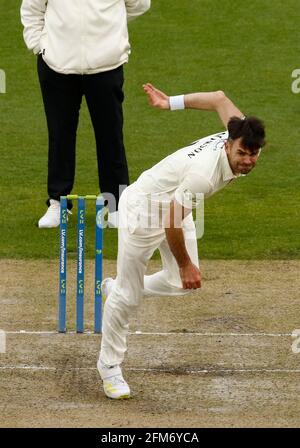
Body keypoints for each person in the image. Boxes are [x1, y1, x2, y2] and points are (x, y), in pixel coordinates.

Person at [96, 82, 265, 399]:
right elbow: (171, 220)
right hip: (144, 211)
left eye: (253, 154)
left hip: (176, 206)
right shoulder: (203, 175)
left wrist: (168, 102)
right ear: (228, 145)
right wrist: (186, 263)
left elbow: (219, 98)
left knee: (179, 283)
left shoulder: (244, 131)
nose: (247, 160)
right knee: (131, 299)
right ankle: (109, 369)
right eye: (241, 153)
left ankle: (117, 288)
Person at [20, 0, 151, 228]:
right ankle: (57, 204)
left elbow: (140, 4)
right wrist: (39, 46)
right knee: (60, 134)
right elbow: (32, 9)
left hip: (106, 65)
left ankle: (117, 205)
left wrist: (109, 30)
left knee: (110, 136)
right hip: (56, 65)